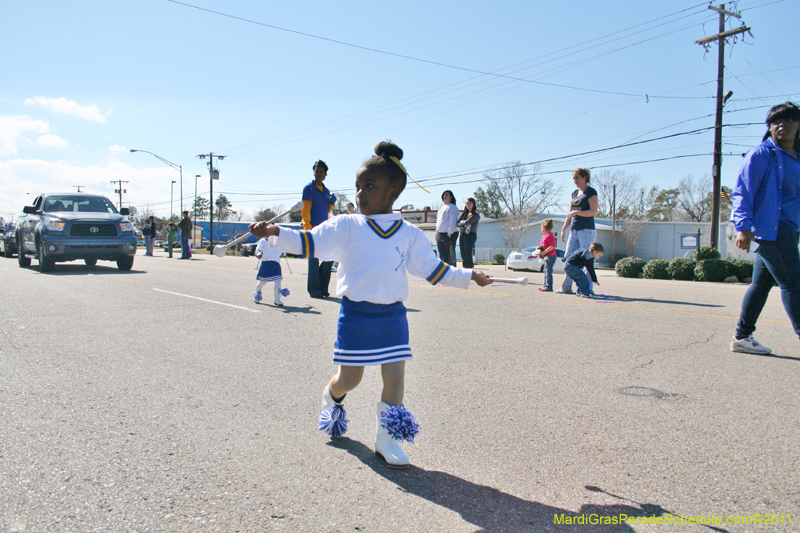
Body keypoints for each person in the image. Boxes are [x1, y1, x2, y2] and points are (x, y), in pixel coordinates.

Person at [249, 141, 493, 468]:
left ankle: (387, 439)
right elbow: (311, 242)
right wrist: (277, 231)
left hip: (393, 316)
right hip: (356, 315)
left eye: (369, 187)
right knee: (350, 379)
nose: (360, 194)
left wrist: (469, 274)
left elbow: (431, 269)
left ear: (393, 193)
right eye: (358, 187)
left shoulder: (408, 233)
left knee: (395, 376)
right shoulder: (347, 225)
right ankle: (331, 397)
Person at [730, 101, 800, 355]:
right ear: (769, 127)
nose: (782, 125)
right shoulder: (762, 154)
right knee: (794, 283)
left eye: (789, 120)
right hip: (770, 228)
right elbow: (743, 192)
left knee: (761, 284)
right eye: (775, 121)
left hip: (790, 228)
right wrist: (743, 227)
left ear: (798, 124)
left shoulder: (796, 157)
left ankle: (742, 337)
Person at [558, 168, 598, 294]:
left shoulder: (591, 192)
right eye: (573, 178)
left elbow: (593, 211)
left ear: (584, 177)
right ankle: (566, 287)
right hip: (574, 231)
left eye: (577, 177)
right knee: (568, 259)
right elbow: (569, 214)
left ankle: (587, 289)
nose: (575, 180)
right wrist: (564, 228)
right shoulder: (574, 193)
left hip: (586, 230)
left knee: (587, 259)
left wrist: (577, 212)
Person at [302, 160, 336, 298]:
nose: (319, 173)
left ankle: (323, 288)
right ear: (314, 172)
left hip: (325, 228)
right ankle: (314, 290)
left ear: (325, 174)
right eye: (317, 171)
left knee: (329, 257)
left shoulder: (326, 191)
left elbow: (326, 211)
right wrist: (307, 227)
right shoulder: (308, 188)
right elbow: (305, 210)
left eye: (321, 171)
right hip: (312, 227)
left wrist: (331, 204)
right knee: (313, 259)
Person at [253, 237, 289, 306]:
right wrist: (259, 254)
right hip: (266, 264)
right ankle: (256, 293)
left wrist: (284, 254)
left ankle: (277, 299)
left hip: (276, 264)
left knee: (278, 281)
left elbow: (280, 252)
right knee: (263, 281)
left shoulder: (277, 241)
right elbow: (258, 250)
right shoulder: (263, 241)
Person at [435, 190, 458, 266]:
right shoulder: (441, 208)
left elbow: (452, 221)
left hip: (448, 234)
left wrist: (450, 232)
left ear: (451, 197)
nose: (445, 196)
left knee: (450, 254)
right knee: (442, 253)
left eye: (447, 195)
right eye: (444, 195)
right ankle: (444, 270)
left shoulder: (453, 207)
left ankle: (452, 271)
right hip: (440, 233)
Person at [457, 197, 480, 268]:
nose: (468, 205)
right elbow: (457, 223)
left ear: (473, 204)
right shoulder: (465, 213)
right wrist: (463, 223)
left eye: (470, 203)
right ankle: (465, 269)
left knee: (468, 253)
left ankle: (470, 269)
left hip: (470, 235)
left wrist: (463, 223)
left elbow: (468, 222)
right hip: (462, 234)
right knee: (463, 253)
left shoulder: (475, 214)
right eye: (467, 203)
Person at [537, 219, 558, 292]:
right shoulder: (544, 236)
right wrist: (539, 250)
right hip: (546, 256)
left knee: (548, 271)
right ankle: (545, 285)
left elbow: (552, 246)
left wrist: (544, 252)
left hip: (550, 256)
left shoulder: (550, 236)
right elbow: (542, 244)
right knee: (545, 270)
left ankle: (548, 286)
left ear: (543, 227)